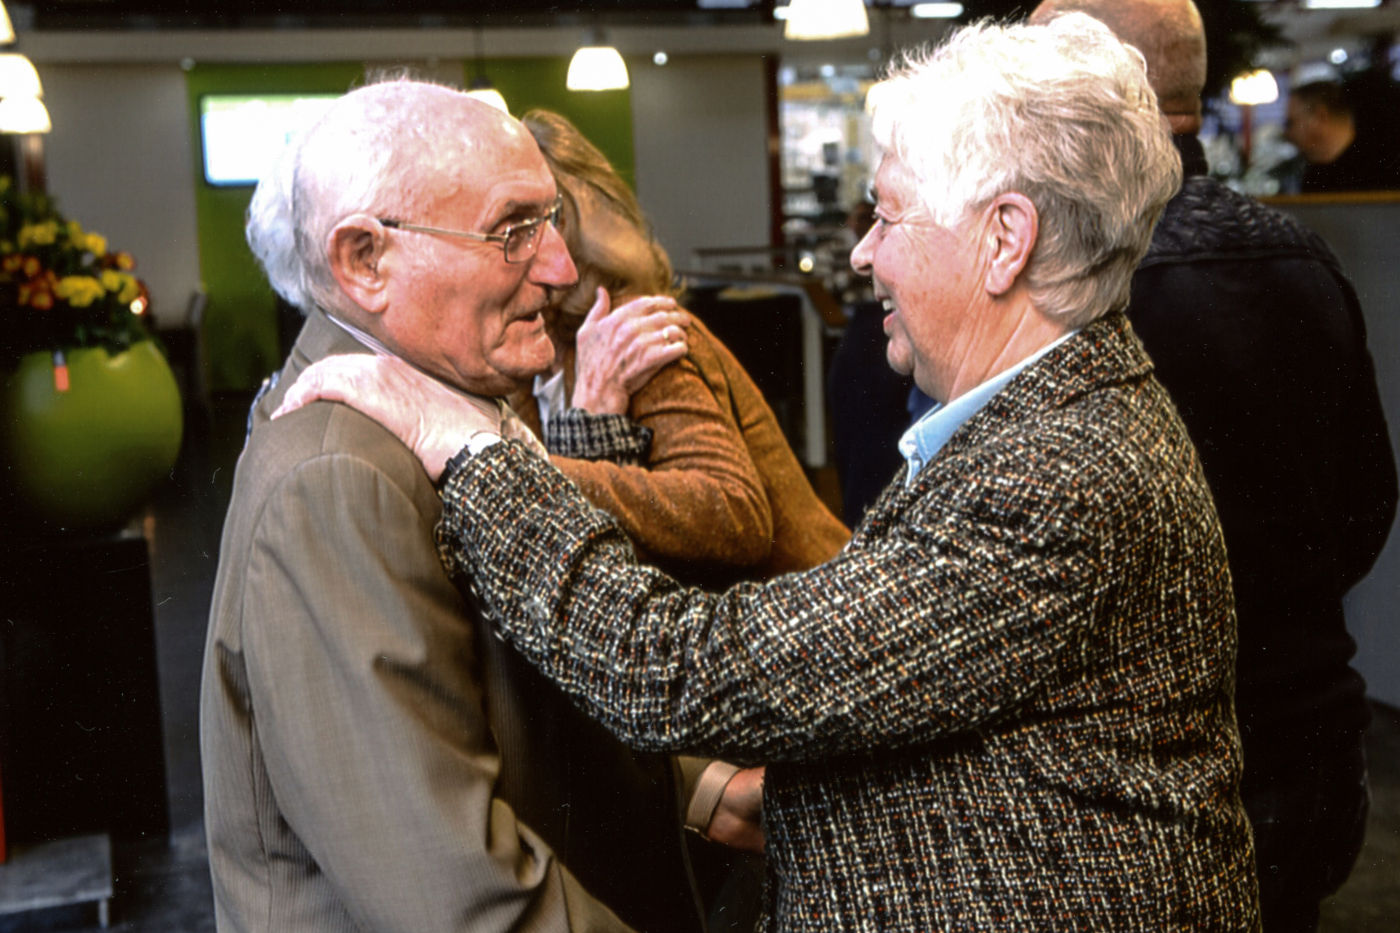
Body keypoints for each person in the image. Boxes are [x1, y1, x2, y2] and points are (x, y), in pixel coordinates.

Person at [277, 16, 1261, 931]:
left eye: (888, 216)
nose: (865, 254)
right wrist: (766, 799)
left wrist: (480, 454)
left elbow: (673, 667)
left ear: (1004, 239)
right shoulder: (1047, 421)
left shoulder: (1052, 474)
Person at [200, 79, 718, 932]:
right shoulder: (340, 475)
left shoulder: (453, 392)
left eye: (549, 220)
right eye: (513, 230)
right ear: (364, 260)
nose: (558, 266)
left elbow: (520, 713)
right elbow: (459, 900)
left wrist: (693, 783)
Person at [1030, 2, 1399, 929]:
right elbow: (1364, 509)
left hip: (1134, 792)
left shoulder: (1061, 291)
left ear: (1086, 83)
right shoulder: (1304, 260)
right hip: (1313, 757)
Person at [515, 108, 848, 589]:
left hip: (800, 625)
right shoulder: (528, 344)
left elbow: (734, 515)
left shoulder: (632, 329)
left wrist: (537, 474)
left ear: (569, 220)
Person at [1285, 78, 1400, 193]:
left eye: (1291, 123)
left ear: (1321, 117)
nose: (1287, 133)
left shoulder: (1382, 169)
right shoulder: (1313, 177)